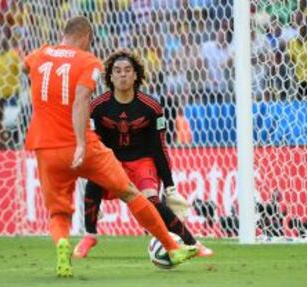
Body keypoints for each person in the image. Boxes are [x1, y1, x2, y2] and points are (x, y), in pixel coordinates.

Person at [24, 16, 197, 278]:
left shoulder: (40, 54)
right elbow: (82, 98)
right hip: (80, 145)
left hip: (44, 146)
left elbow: (26, 68)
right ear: (86, 37)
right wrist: (81, 143)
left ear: (64, 33)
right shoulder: (87, 60)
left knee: (58, 211)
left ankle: (62, 245)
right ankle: (172, 247)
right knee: (130, 192)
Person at [73, 49, 213, 259]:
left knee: (153, 202)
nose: (122, 75)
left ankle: (193, 243)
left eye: (128, 70)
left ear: (136, 75)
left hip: (141, 163)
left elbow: (159, 147)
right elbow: (94, 145)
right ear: (110, 76)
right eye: (117, 71)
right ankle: (89, 236)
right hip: (111, 162)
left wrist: (170, 186)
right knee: (93, 185)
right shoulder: (98, 107)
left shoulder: (151, 107)